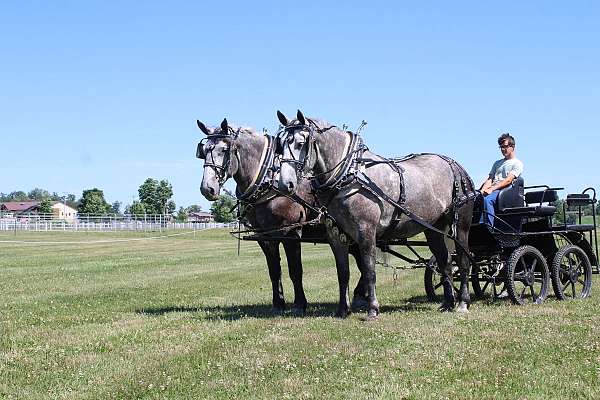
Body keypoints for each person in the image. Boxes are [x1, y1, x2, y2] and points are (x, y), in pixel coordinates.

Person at [480, 133, 524, 228]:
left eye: (505, 146)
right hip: (493, 189)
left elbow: (508, 180)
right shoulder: (497, 163)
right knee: (476, 199)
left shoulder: (517, 163)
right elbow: (490, 179)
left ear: (512, 147)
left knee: (488, 200)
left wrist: (492, 189)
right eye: (501, 147)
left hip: (505, 191)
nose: (503, 149)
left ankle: (487, 228)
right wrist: (482, 191)